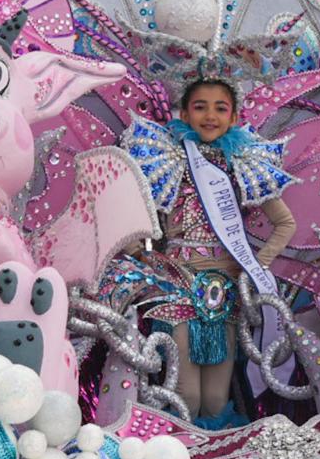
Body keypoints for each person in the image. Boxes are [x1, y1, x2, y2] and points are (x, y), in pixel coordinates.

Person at [123, 79, 296, 424]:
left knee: (216, 399)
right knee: (187, 394)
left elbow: (285, 224)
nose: (210, 115)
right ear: (184, 113)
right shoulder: (165, 161)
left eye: (221, 108)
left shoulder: (244, 164)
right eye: (200, 106)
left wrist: (253, 269)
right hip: (177, 289)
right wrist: (141, 256)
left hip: (226, 292)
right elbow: (137, 224)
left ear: (234, 118)